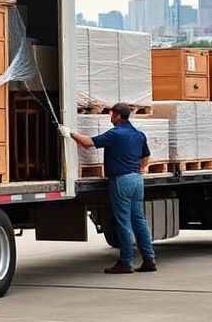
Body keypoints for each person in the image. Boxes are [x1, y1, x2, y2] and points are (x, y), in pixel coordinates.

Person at [58, 103, 157, 274]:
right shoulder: (138, 135)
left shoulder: (115, 134)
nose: (110, 117)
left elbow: (88, 143)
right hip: (137, 180)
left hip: (121, 181)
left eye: (111, 115)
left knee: (123, 222)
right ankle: (149, 259)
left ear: (117, 115)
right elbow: (146, 156)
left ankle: (126, 262)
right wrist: (142, 168)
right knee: (139, 221)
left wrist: (69, 133)